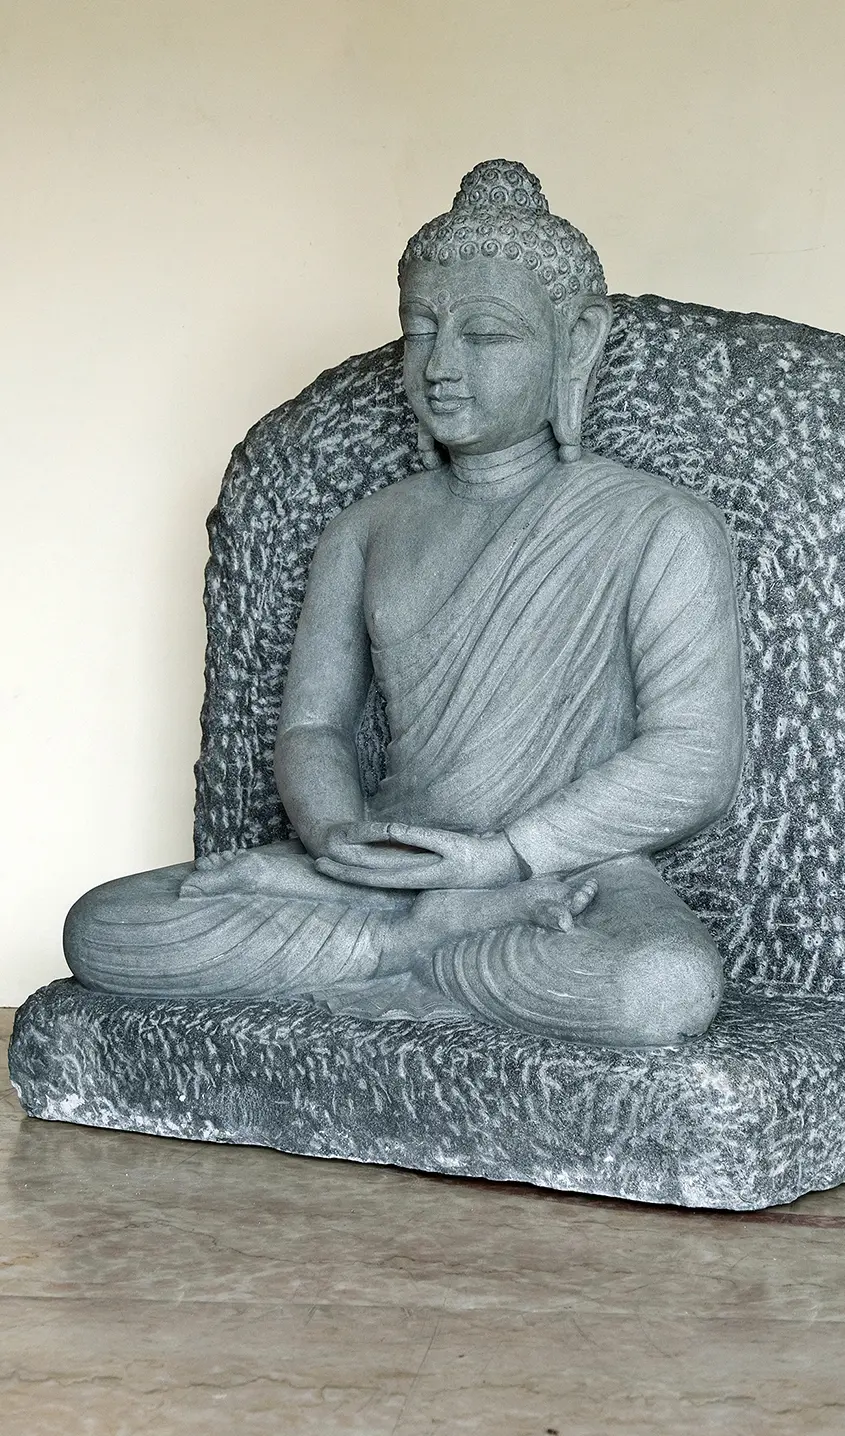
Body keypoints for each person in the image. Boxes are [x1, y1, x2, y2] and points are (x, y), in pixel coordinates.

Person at [65, 160, 744, 1047]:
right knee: (105, 926)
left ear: (576, 343)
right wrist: (340, 841)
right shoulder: (367, 529)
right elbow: (313, 727)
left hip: (567, 877)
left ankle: (405, 947)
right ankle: (416, 942)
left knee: (659, 988)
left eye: (485, 335)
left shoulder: (658, 525)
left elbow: (694, 758)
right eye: (420, 331)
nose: (441, 366)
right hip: (391, 872)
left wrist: (505, 858)